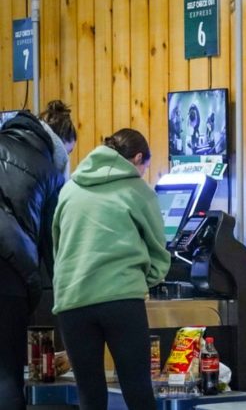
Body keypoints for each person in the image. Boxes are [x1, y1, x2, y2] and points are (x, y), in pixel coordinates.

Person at [52, 128, 169, 410]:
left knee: (90, 396)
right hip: (120, 300)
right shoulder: (137, 190)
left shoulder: (70, 188)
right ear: (138, 158)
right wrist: (142, 281)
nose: (143, 174)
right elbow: (158, 251)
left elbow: (58, 245)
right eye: (144, 168)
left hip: (72, 300)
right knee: (138, 390)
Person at [0, 102, 76, 410]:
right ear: (58, 146)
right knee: (6, 371)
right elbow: (53, 243)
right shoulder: (49, 170)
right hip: (7, 269)